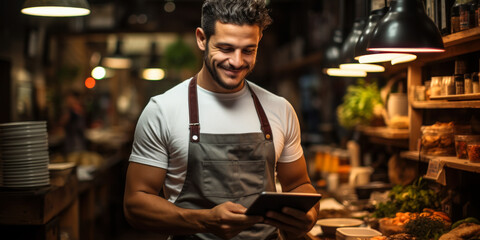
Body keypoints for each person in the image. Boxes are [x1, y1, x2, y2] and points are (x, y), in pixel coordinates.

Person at [123, 0, 319, 239]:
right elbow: (135, 204)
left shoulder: (279, 109)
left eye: (248, 50)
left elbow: (299, 184)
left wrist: (310, 215)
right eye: (226, 48)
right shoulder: (163, 110)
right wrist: (203, 221)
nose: (237, 62)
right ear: (202, 39)